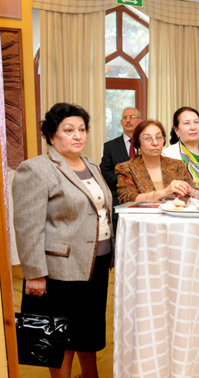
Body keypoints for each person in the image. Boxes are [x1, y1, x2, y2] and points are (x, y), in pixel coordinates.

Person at [12, 103, 113, 378]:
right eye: (69, 130)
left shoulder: (91, 164)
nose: (77, 135)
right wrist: (34, 274)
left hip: (96, 263)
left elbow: (99, 210)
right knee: (60, 336)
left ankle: (90, 376)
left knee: (89, 331)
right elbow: (27, 227)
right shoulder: (35, 169)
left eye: (81, 129)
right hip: (60, 270)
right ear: (51, 135)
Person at [116, 120, 199, 203]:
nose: (155, 143)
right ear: (138, 144)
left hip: (176, 217)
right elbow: (127, 199)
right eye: (147, 138)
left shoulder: (177, 165)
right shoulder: (126, 168)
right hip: (144, 217)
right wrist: (164, 192)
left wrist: (190, 191)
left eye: (158, 137)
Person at [100, 107, 143, 233]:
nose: (128, 120)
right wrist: (126, 181)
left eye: (132, 117)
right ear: (121, 122)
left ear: (140, 121)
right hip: (119, 201)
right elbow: (105, 173)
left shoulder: (146, 143)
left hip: (145, 202)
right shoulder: (110, 146)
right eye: (125, 117)